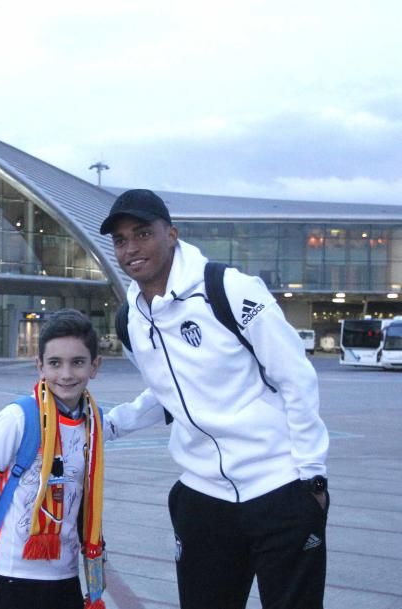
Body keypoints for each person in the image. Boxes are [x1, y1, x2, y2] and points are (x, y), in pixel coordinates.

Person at [100, 189, 329, 609]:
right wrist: (111, 424)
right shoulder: (131, 319)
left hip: (278, 488)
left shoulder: (228, 289)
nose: (131, 248)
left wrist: (312, 477)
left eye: (142, 233)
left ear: (171, 234)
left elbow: (295, 377)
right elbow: (168, 389)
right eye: (120, 240)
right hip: (202, 498)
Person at [0, 310, 107, 609]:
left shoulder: (93, 420)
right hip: (12, 574)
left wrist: (93, 558)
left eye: (77, 362)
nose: (66, 374)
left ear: (95, 366)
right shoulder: (18, 417)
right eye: (55, 363)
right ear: (40, 366)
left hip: (64, 573)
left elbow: (80, 497)